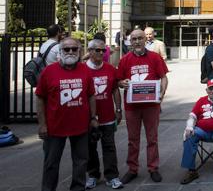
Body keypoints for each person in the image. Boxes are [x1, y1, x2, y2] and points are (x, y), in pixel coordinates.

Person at [36, 37, 98, 191]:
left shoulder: (85, 70)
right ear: (60, 51)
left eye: (74, 49)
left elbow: (91, 95)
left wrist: (93, 118)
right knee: (51, 163)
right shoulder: (48, 71)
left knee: (81, 162)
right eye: (66, 49)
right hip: (54, 127)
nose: (70, 52)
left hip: (81, 126)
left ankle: (78, 188)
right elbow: (40, 98)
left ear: (79, 51)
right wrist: (42, 124)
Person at [117, 29, 169, 184]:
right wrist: (122, 83)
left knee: (152, 138)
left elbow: (164, 78)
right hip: (132, 107)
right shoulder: (125, 60)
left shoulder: (154, 57)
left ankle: (153, 168)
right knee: (133, 139)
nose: (137, 41)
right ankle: (133, 169)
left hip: (151, 105)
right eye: (134, 39)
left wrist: (162, 93)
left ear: (145, 40)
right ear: (130, 41)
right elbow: (118, 81)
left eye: (140, 38)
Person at [85, 39, 123, 189]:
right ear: (90, 51)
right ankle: (93, 175)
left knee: (109, 147)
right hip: (88, 119)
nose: (101, 53)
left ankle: (112, 176)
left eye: (103, 50)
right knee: (90, 148)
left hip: (108, 116)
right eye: (97, 50)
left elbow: (115, 90)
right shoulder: (82, 69)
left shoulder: (110, 69)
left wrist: (118, 109)